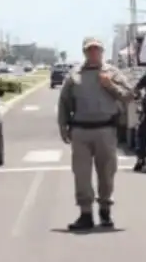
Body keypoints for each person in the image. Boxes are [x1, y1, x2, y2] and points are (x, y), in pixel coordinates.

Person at [57, 37, 135, 231]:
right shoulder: (75, 75)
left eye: (96, 50)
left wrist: (110, 86)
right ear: (84, 53)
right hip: (81, 131)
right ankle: (85, 214)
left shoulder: (112, 73)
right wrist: (63, 126)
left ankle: (105, 211)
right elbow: (64, 103)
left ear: (102, 52)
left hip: (105, 130)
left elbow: (129, 96)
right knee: (81, 174)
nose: (93, 53)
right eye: (89, 50)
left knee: (107, 173)